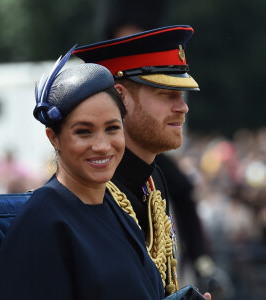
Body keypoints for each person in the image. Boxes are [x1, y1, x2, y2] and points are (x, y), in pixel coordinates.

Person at [0, 46, 165, 300]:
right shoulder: (43, 220)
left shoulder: (115, 210)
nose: (101, 145)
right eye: (83, 132)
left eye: (112, 128)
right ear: (53, 137)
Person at [74, 25, 211, 300]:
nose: (182, 106)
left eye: (181, 94)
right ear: (120, 98)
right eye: (165, 94)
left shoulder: (153, 178)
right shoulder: (89, 191)